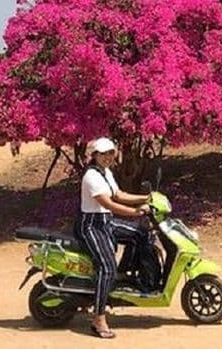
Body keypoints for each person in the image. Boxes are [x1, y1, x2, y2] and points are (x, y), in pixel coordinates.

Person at [75, 137, 150, 339]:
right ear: (95, 156)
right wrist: (136, 212)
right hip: (91, 225)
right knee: (106, 268)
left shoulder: (106, 172)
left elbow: (119, 194)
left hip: (105, 221)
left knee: (140, 234)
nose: (108, 157)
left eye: (110, 153)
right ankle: (98, 318)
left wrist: (148, 198)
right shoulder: (91, 176)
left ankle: (124, 276)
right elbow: (109, 204)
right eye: (103, 154)